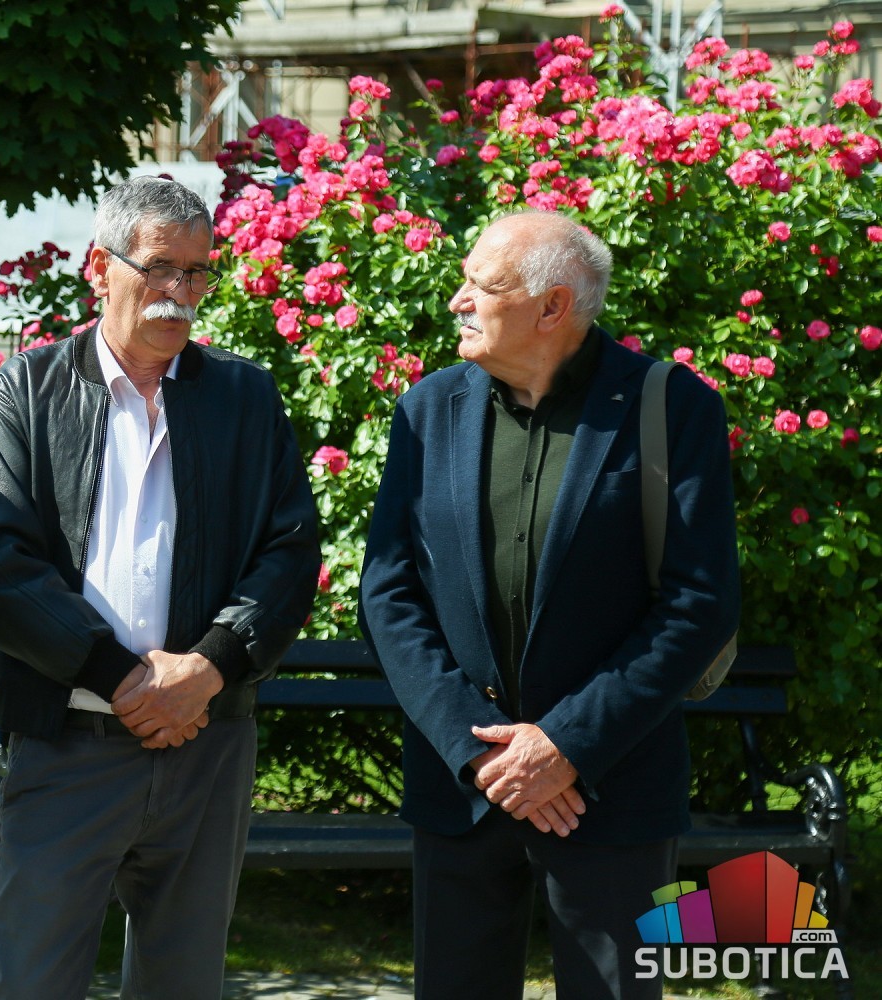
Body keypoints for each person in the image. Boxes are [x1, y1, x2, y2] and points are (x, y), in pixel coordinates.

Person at [359, 209, 740, 999]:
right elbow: (388, 591)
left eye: (482, 284)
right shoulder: (429, 410)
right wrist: (477, 748)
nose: (459, 300)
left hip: (612, 790)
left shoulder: (671, 408)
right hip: (461, 786)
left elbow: (699, 604)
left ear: (553, 306)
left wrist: (566, 744)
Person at [0, 175, 320, 1000]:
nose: (179, 292)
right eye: (160, 267)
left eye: (196, 273)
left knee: (182, 984)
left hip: (207, 743)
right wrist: (121, 679)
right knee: (31, 983)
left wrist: (210, 666)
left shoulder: (245, 397)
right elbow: (0, 566)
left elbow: (290, 551)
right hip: (67, 742)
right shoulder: (29, 390)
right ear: (100, 267)